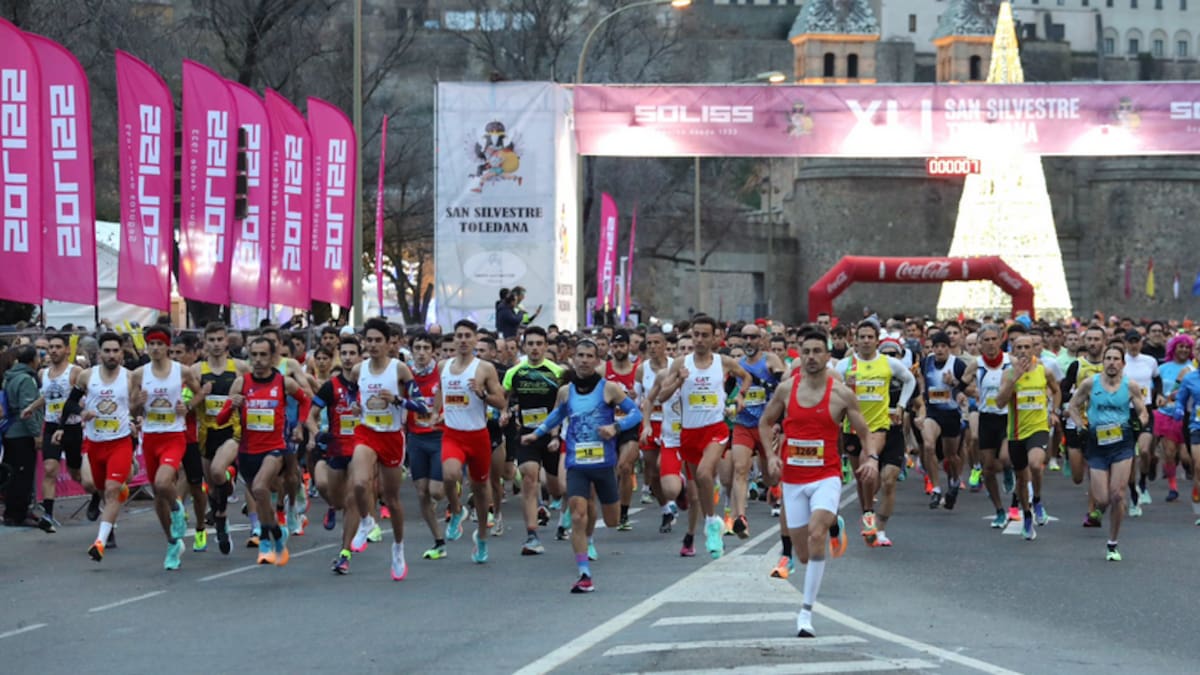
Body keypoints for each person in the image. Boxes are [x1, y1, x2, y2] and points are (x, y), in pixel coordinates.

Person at [759, 331, 873, 638]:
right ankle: (835, 523)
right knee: (804, 554)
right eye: (806, 351)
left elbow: (863, 430)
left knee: (816, 533)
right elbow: (766, 421)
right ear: (800, 356)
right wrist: (771, 456)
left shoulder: (841, 394)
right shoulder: (785, 390)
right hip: (794, 480)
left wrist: (871, 457)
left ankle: (805, 613)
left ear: (826, 357)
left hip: (826, 475)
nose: (811, 356)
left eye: (817, 351)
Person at [520, 338, 642, 593]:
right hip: (577, 462)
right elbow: (558, 414)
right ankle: (584, 573)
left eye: (589, 356)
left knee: (611, 520)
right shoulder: (566, 391)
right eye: (580, 356)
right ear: (573, 360)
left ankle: (593, 535)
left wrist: (615, 427)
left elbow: (636, 414)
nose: (584, 360)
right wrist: (538, 433)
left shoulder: (609, 389)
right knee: (577, 513)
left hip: (603, 463)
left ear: (598, 361)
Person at [655, 316, 753, 559]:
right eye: (695, 334)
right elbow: (662, 396)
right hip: (689, 433)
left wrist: (740, 397)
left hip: (715, 430)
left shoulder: (724, 362)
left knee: (703, 474)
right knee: (698, 486)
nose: (699, 339)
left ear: (715, 338)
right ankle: (712, 521)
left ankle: (711, 524)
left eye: (704, 335)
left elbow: (746, 377)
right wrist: (679, 380)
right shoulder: (681, 363)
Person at [213, 337, 312, 566]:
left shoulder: (283, 382)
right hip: (247, 451)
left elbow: (305, 401)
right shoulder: (241, 383)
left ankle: (266, 540)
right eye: (253, 355)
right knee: (260, 495)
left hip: (275, 449)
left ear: (272, 356)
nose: (257, 360)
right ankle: (275, 533)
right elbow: (220, 421)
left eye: (263, 355)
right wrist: (231, 406)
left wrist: (299, 425)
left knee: (260, 487)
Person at [346, 318, 422, 580]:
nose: (374, 345)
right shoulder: (359, 370)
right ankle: (367, 520)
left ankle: (398, 548)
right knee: (359, 483)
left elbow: (421, 405)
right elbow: (350, 395)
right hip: (366, 432)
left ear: (390, 343)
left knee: (392, 499)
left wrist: (398, 400)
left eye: (379, 340)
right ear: (364, 342)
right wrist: (355, 406)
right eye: (370, 340)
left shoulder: (399, 369)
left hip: (391, 436)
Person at [56, 333, 141, 561]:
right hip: (94, 443)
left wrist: (136, 421)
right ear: (99, 353)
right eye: (107, 351)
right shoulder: (86, 376)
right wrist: (81, 412)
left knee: (112, 489)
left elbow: (136, 407)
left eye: (115, 351)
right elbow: (69, 404)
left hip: (120, 442)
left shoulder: (131, 377)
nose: (111, 355)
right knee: (96, 486)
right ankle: (109, 524)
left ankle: (100, 542)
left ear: (122, 353)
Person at [833, 321, 915, 546]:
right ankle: (868, 515)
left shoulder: (888, 363)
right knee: (863, 477)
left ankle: (876, 524)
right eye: (863, 337)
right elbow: (830, 388)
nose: (867, 340)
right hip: (852, 430)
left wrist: (901, 405)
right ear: (855, 340)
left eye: (871, 337)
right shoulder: (844, 366)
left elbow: (910, 380)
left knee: (883, 477)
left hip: (881, 427)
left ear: (877, 340)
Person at [1068, 344, 1147, 561]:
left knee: (1117, 494)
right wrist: (1079, 426)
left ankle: (1113, 543)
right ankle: (1099, 511)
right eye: (1108, 358)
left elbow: (1143, 411)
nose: (1112, 362)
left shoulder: (1130, 386)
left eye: (1116, 359)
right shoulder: (1089, 384)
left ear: (1122, 363)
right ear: (1103, 362)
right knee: (1102, 498)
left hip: (1122, 443)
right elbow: (1073, 406)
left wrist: (1139, 423)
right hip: (1097, 444)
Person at [438, 319, 509, 563]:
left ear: (475, 338)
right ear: (454, 339)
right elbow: (440, 396)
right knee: (449, 474)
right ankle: (456, 511)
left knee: (481, 490)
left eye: (468, 335)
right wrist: (433, 415)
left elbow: (501, 402)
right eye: (459, 335)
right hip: (453, 434)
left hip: (478, 435)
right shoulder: (443, 366)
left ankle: (481, 537)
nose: (463, 340)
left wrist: (482, 394)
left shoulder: (485, 368)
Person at [134, 327, 201, 570]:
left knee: (164, 483)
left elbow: (199, 393)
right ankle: (172, 543)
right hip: (150, 437)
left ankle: (178, 508)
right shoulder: (139, 374)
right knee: (158, 494)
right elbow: (131, 408)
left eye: (159, 344)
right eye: (151, 344)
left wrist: (189, 407)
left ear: (167, 346)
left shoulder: (181, 371)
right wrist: (137, 404)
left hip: (174, 435)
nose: (155, 348)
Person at [503, 326, 568, 555]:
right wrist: (504, 412)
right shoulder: (514, 373)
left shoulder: (556, 373)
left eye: (539, 344)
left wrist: (554, 433)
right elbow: (505, 396)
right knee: (529, 479)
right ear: (524, 346)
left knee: (557, 488)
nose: (534, 348)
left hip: (551, 435)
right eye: (530, 344)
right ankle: (532, 535)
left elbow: (563, 406)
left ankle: (565, 511)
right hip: (527, 435)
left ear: (545, 346)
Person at [996, 334, 1061, 541]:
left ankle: (1038, 501)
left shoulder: (1044, 371)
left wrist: (1054, 411)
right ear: (1013, 350)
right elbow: (999, 403)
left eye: (1027, 346)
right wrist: (1014, 379)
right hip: (1016, 432)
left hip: (1038, 427)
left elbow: (1057, 391)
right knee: (1022, 479)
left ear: (1035, 349)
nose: (1023, 350)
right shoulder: (1008, 374)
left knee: (1035, 464)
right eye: (1019, 347)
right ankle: (1026, 514)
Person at [307, 335, 362, 574]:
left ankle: (345, 553)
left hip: (362, 449)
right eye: (345, 354)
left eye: (353, 353)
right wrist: (317, 433)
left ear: (361, 357)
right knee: (330, 491)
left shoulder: (369, 383)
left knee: (353, 499)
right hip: (337, 448)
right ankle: (332, 504)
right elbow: (310, 416)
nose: (349, 358)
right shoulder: (331, 386)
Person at [193, 322, 249, 554]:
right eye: (211, 340)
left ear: (227, 341)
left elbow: (253, 393)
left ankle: (222, 513)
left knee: (217, 472)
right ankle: (220, 522)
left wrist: (242, 402)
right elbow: (188, 401)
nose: (216, 344)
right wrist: (200, 395)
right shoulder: (196, 371)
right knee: (213, 487)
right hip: (207, 432)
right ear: (205, 343)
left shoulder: (239, 367)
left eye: (219, 339)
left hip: (231, 430)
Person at [729, 323, 786, 539]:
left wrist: (777, 374)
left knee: (770, 477)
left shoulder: (770, 360)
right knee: (740, 468)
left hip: (766, 425)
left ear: (761, 340)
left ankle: (774, 488)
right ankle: (740, 518)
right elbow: (726, 389)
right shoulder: (737, 364)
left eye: (754, 337)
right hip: (743, 425)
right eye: (746, 338)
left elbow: (784, 384)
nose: (749, 342)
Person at [21, 334, 83, 533]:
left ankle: (97, 494)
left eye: (57, 347)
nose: (53, 351)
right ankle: (48, 515)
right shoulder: (43, 374)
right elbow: (46, 397)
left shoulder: (76, 372)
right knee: (49, 469)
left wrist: (83, 408)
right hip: (51, 425)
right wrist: (32, 407)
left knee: (76, 473)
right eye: (51, 348)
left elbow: (85, 397)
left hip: (72, 427)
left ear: (67, 349)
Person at [917, 331, 972, 510]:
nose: (939, 350)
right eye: (936, 346)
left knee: (951, 456)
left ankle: (955, 481)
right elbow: (921, 385)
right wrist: (920, 405)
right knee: (929, 446)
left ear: (949, 348)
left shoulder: (957, 364)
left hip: (951, 414)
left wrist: (955, 384)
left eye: (943, 347)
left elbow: (970, 389)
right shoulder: (926, 363)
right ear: (932, 348)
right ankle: (936, 488)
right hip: (932, 413)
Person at [3, 346, 43, 527]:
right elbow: (27, 410)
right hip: (22, 433)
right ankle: (17, 514)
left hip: (10, 432)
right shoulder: (26, 379)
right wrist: (36, 433)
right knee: (23, 475)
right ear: (32, 360)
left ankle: (15, 510)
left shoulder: (9, 377)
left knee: (13, 474)